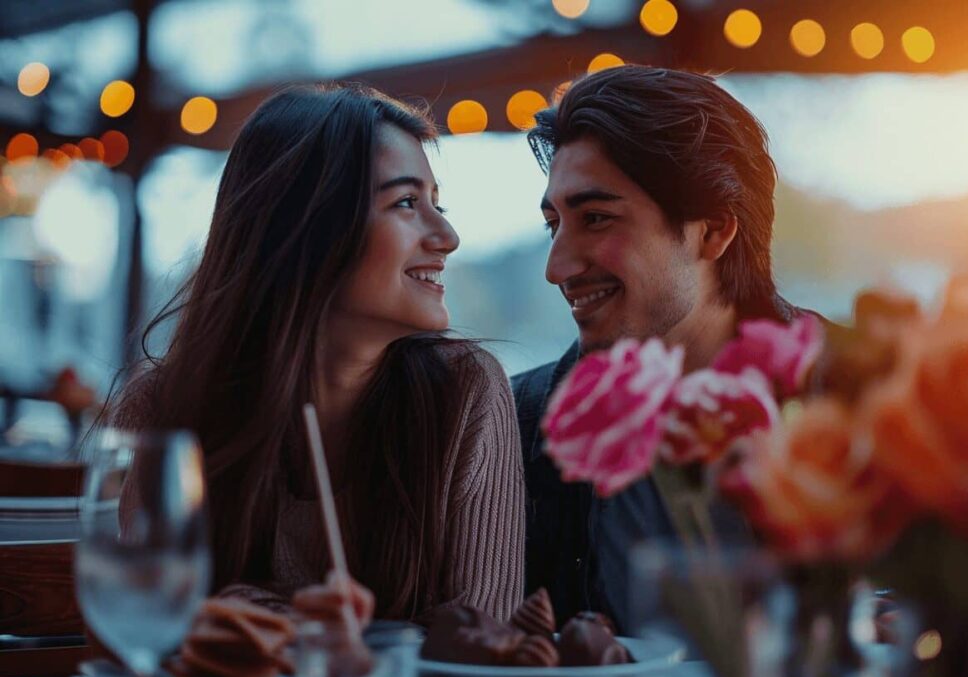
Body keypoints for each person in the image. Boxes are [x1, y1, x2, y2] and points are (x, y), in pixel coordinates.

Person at [109, 84, 525, 624]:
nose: (446, 235)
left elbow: (482, 645)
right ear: (306, 228)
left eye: (436, 204)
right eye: (405, 203)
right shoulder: (164, 410)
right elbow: (146, 627)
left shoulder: (465, 393)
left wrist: (264, 615)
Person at [513, 65, 821, 631]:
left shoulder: (858, 393)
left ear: (714, 230)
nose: (557, 268)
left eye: (597, 218)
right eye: (553, 224)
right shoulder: (517, 421)